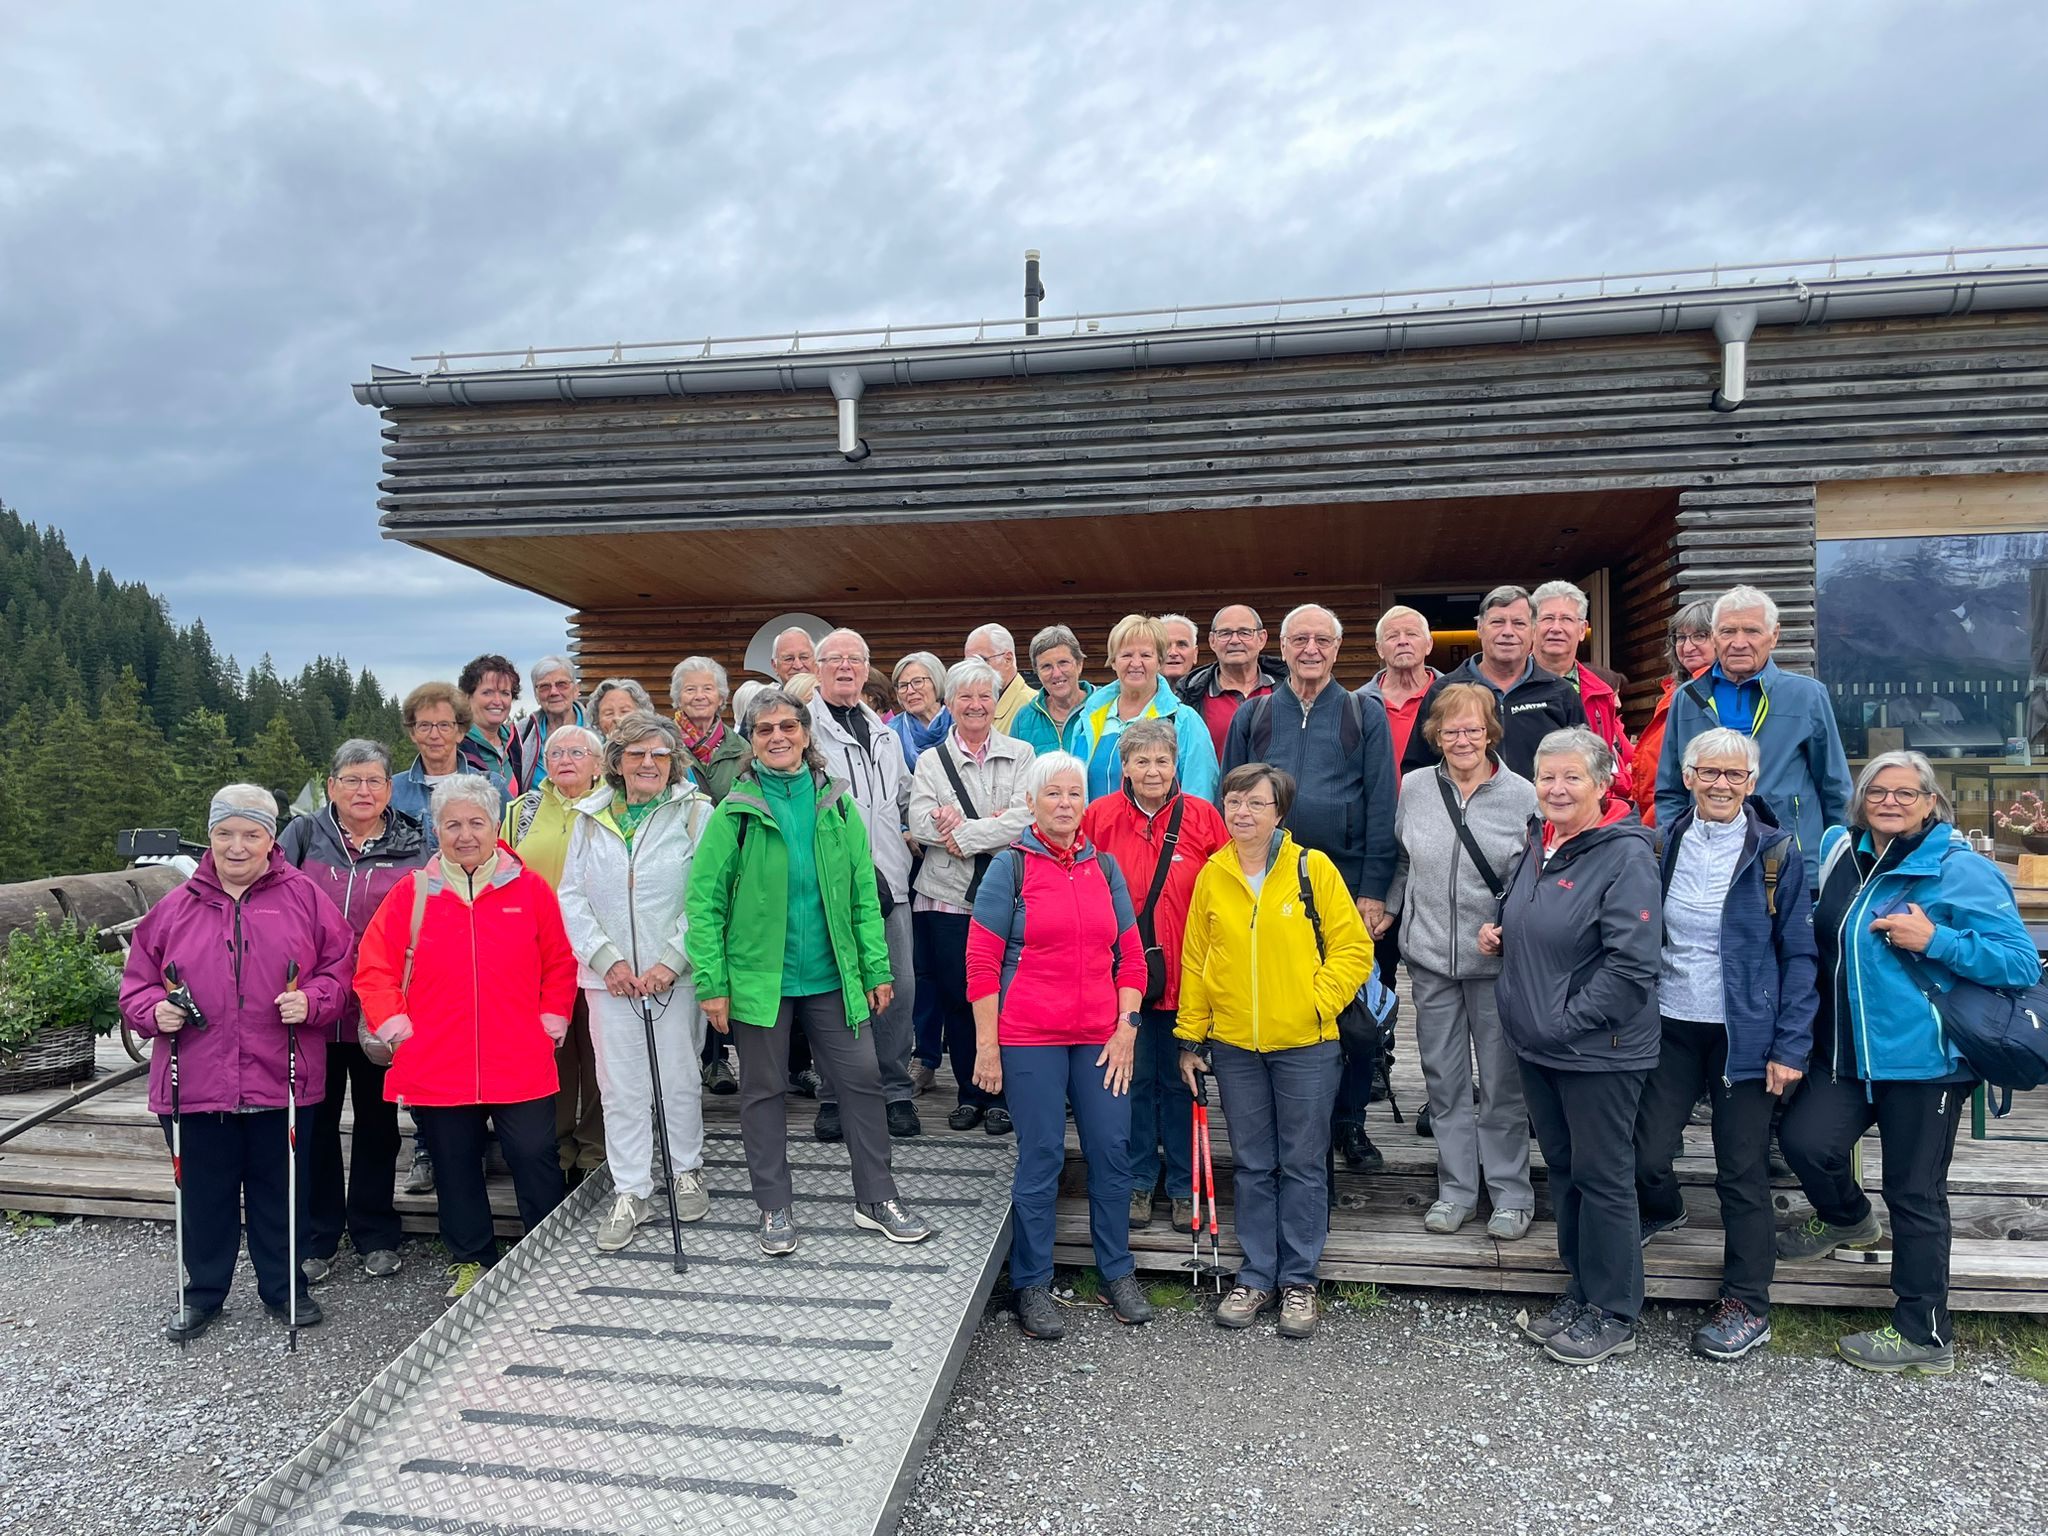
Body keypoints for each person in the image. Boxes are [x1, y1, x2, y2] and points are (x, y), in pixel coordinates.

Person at [1776, 750, 2039, 1374]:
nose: (1890, 802)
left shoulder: (1960, 870)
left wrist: (1937, 940)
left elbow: (2021, 964)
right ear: (1861, 800)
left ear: (1931, 804)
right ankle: (1847, 1219)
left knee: (1914, 1192)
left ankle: (1924, 1333)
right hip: (1844, 1054)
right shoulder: (1843, 848)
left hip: (1926, 1064)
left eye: (1905, 793)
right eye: (1878, 792)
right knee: (1805, 1142)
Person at [684, 689, 932, 1255]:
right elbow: (704, 904)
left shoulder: (836, 805)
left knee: (862, 1082)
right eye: (765, 728)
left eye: (787, 727)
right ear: (752, 739)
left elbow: (863, 896)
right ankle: (773, 1206)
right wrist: (713, 984)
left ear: (804, 735)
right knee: (763, 1092)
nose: (778, 737)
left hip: (832, 976)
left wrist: (875, 967)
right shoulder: (736, 812)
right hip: (758, 982)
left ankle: (876, 1197)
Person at [119, 784, 356, 1342]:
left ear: (272, 839)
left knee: (283, 1193)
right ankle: (203, 1293)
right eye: (225, 833)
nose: (237, 846)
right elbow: (135, 988)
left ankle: (285, 1288)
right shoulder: (174, 907)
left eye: (251, 833)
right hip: (195, 1082)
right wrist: (155, 1011)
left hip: (284, 1079)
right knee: (203, 1195)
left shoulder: (303, 896)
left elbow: (341, 971)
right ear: (209, 837)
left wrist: (314, 1000)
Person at [1633, 727, 1817, 1362]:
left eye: (1734, 776)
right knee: (1647, 1149)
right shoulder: (1661, 842)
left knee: (1740, 1170)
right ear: (1687, 778)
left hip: (1745, 1035)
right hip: (1670, 1025)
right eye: (1708, 772)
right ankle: (1664, 1209)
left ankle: (1747, 1300)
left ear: (1751, 783)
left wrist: (1791, 1046)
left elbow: (1799, 956)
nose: (1720, 784)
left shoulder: (1776, 854)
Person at [355, 774, 575, 1300]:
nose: (465, 834)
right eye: (452, 824)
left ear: (495, 826)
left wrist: (553, 1016)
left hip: (519, 1051)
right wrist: (394, 1025)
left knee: (534, 1154)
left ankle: (544, 1253)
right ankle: (472, 1259)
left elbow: (559, 962)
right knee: (454, 1165)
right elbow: (374, 967)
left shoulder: (528, 888)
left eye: (476, 822)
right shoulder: (414, 892)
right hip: (437, 1056)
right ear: (437, 830)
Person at [1481, 728, 1660, 1367]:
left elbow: (1632, 967)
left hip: (1599, 1051)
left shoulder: (1625, 854)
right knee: (1565, 1171)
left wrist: (1561, 1022)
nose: (1556, 788)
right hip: (1542, 1045)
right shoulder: (1542, 842)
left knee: (1605, 1177)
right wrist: (1503, 932)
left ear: (1603, 782)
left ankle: (1614, 1312)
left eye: (1572, 778)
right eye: (1547, 776)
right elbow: (1546, 921)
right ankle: (1581, 1291)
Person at [1177, 763, 1373, 1340]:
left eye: (1257, 804)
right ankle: (1257, 1274)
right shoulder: (1213, 873)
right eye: (1234, 801)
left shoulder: (1313, 869)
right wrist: (1191, 1036)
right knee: (1254, 1163)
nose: (1243, 813)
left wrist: (1317, 1002)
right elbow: (1195, 960)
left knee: (1304, 1163)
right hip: (1235, 1044)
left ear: (1279, 813)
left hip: (1305, 1045)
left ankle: (1299, 1281)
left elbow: (1353, 948)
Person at [970, 752, 1155, 1339]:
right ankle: (1031, 1283)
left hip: (1102, 1035)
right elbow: (980, 962)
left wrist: (1127, 1027)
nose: (1065, 804)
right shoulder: (1010, 867)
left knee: (1111, 1148)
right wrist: (987, 1046)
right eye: (1052, 794)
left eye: (1074, 794)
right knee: (1042, 1155)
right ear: (1031, 803)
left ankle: (1117, 1271)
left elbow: (1132, 957)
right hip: (1029, 1036)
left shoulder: (1104, 867)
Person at [1221, 603, 1397, 1171]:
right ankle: (1297, 1127)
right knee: (1290, 1010)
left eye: (1323, 639)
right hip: (1269, 885)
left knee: (1357, 1018)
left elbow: (1382, 803)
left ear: (1338, 648)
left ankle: (1349, 1123)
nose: (1310, 649)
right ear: (1284, 645)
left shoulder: (1361, 712)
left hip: (1345, 886)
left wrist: (1373, 890)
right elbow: (1235, 798)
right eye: (1300, 639)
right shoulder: (1257, 715)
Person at [558, 712, 717, 1251]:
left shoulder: (696, 812)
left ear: (674, 763)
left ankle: (684, 1169)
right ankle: (632, 1188)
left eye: (659, 754)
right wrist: (606, 960)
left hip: (673, 977)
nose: (648, 763)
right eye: (636, 754)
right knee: (620, 1088)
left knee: (676, 1079)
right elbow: (571, 896)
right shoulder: (587, 816)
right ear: (616, 762)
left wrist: (673, 960)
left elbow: (709, 895)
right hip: (610, 982)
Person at [1384, 686, 1538, 1240]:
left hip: (1495, 964)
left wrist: (1511, 929)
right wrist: (1392, 910)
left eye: (1474, 730)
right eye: (1451, 731)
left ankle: (1511, 1195)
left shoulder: (1523, 795)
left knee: (1501, 1084)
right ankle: (1455, 1191)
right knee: (1444, 1081)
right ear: (1436, 735)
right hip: (1429, 961)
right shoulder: (1416, 788)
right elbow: (1404, 858)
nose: (1463, 740)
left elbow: (1532, 878)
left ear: (1491, 732)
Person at [278, 741, 430, 1286]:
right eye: (351, 780)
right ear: (331, 785)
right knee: (313, 1122)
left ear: (390, 788)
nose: (363, 791)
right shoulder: (302, 836)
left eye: (373, 781)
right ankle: (318, 1233)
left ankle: (374, 1229)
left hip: (381, 1005)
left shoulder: (416, 839)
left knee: (378, 1122)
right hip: (312, 1005)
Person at [1081, 718, 1229, 1232]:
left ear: (1175, 766)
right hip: (1123, 979)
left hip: (1189, 975)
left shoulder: (1205, 818)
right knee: (1133, 1081)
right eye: (1140, 760)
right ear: (1123, 766)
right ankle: (1139, 1181)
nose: (1152, 770)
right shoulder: (1098, 818)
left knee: (1182, 1079)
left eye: (1161, 760)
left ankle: (1186, 1186)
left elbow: (1226, 891)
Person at [907, 658, 1036, 1132]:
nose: (976, 705)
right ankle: (969, 1093)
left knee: (1003, 996)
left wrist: (965, 832)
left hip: (1005, 893)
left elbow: (1026, 819)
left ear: (996, 702)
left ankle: (1001, 1096)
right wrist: (993, 824)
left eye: (985, 696)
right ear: (949, 704)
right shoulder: (929, 761)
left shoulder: (1022, 754)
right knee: (960, 998)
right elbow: (919, 821)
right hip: (944, 897)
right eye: (965, 697)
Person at [1655, 585, 1852, 886]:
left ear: (1774, 636)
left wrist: (1839, 862)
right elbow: (1670, 789)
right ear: (1714, 636)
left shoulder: (1806, 695)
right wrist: (1676, 848)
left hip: (1790, 862)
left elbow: (1834, 786)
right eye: (1727, 631)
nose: (1738, 643)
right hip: (1706, 865)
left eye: (1752, 631)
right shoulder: (1687, 698)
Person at [810, 628, 922, 1140]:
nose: (846, 668)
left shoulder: (883, 732)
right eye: (835, 660)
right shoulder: (804, 729)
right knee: (835, 991)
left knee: (897, 988)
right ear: (817, 668)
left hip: (891, 884)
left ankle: (896, 1091)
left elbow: (900, 798)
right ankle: (833, 1095)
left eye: (855, 660)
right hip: (831, 886)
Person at [503, 725, 610, 1182]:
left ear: (598, 763)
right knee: (553, 1052)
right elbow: (501, 869)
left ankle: (598, 1147)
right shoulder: (521, 810)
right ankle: (560, 1144)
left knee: (602, 1052)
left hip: (602, 951)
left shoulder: (615, 805)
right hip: (538, 954)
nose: (565, 759)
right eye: (556, 752)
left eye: (577, 751)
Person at [1403, 586, 1588, 779]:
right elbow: (1417, 769)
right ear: (1480, 629)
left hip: (1540, 808)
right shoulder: (1444, 691)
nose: (1508, 632)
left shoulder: (1560, 692)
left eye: (1518, 623)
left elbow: (1584, 766)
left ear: (1533, 631)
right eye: (1497, 622)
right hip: (1463, 809)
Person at [1080, 614, 1220, 802]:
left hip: (1160, 832)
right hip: (1095, 831)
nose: (1136, 663)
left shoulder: (1183, 720)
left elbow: (1199, 799)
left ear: (1160, 661)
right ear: (1113, 661)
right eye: (1127, 655)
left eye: (1146, 655)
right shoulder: (1088, 718)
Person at [1532, 581, 1633, 806]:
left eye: (1567, 619)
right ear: (1532, 626)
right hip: (1526, 815)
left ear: (1582, 629)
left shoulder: (1601, 693)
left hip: (1586, 816)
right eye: (1547, 618)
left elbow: (1604, 765)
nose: (1556, 627)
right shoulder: (1508, 688)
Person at [1629, 600, 1715, 827]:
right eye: (1681, 637)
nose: (1687, 647)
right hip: (1662, 820)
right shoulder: (1676, 691)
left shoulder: (1712, 694)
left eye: (1700, 636)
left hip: (1690, 822)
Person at [1179, 603, 1285, 758]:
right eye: (1225, 633)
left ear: (1262, 639)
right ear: (1212, 641)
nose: (1234, 640)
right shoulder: (1190, 698)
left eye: (1244, 632)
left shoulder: (1287, 690)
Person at [1356, 605, 1442, 772]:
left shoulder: (1452, 695)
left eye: (1411, 634)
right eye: (1392, 636)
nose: (1403, 641)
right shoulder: (1358, 703)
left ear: (1429, 644)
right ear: (1380, 649)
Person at [390, 681, 469, 848]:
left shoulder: (490, 786)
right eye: (424, 726)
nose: (434, 735)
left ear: (460, 732)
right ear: (413, 733)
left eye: (444, 725)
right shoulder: (391, 790)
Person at [671, 656, 751, 803]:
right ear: (678, 698)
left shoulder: (741, 748)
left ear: (720, 697)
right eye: (690, 689)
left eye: (708, 689)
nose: (699, 696)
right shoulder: (664, 743)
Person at [1011, 624, 1094, 757]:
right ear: (1037, 672)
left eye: (1063, 663)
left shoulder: (1103, 706)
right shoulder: (1024, 719)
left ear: (1079, 665)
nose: (1056, 673)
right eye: (1046, 666)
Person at [456, 653, 526, 794]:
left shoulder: (513, 742)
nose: (497, 701)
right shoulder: (456, 743)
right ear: (467, 697)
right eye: (487, 692)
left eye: (505, 693)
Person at [517, 654, 585, 787]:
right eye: (544, 687)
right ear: (536, 695)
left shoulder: (596, 728)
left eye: (562, 684)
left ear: (576, 690)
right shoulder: (523, 732)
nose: (553, 692)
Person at [964, 623, 1035, 732]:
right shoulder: (972, 706)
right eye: (969, 663)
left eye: (980, 661)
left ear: (1008, 660)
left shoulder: (1031, 706)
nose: (973, 670)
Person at [887, 652, 951, 767]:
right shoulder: (891, 733)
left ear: (937, 682)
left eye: (917, 682)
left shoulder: (960, 722)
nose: (910, 691)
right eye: (903, 685)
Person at [590, 676, 657, 739]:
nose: (617, 718)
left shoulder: (656, 748)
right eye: (609, 713)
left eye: (625, 711)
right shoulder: (592, 749)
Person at [1159, 613, 1200, 684]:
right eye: (1165, 645)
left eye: (1181, 645)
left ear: (1195, 654)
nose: (1173, 653)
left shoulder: (1210, 693)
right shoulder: (1136, 693)